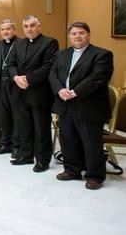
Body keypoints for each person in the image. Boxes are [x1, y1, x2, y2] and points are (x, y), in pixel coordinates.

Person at [49, 22, 114, 190]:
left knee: (91, 142)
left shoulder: (102, 54)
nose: (77, 36)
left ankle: (94, 176)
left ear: (88, 34)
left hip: (89, 106)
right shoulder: (61, 54)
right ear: (69, 36)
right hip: (65, 104)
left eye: (81, 33)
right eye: (74, 33)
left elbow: (98, 78)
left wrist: (75, 92)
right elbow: (53, 74)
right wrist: (60, 90)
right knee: (68, 139)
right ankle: (72, 170)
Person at [7, 15, 58, 173]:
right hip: (20, 91)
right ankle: (26, 155)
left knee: (41, 128)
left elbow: (48, 66)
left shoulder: (50, 42)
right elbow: (10, 64)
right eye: (26, 26)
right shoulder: (19, 43)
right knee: (24, 126)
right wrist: (15, 77)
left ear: (39, 26)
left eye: (32, 25)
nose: (29, 29)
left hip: (38, 92)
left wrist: (28, 79)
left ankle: (43, 159)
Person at [0, 19, 20, 155]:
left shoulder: (21, 44)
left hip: (15, 86)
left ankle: (16, 145)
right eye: (3, 30)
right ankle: (5, 143)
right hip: (0, 86)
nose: (5, 32)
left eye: (8, 29)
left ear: (14, 29)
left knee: (16, 116)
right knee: (4, 117)